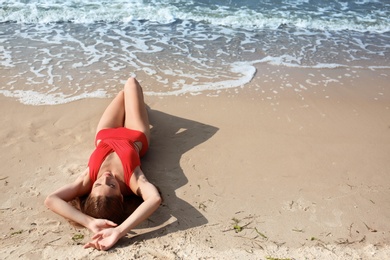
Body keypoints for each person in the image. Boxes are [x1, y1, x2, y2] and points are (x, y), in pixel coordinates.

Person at [44, 77, 162, 251]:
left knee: (122, 94)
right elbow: (154, 199)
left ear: (91, 190)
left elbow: (51, 200)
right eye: (112, 185)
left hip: (105, 133)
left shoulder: (86, 181)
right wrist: (120, 231)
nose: (105, 178)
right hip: (135, 134)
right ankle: (139, 108)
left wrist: (90, 222)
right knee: (131, 83)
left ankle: (137, 106)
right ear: (121, 196)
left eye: (98, 184)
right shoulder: (134, 181)